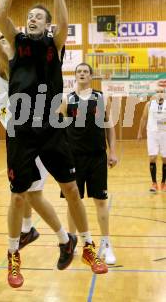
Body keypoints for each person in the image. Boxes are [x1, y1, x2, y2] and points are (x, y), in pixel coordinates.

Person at [0, 0, 108, 288]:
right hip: (20, 128)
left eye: (38, 17)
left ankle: (87, 245)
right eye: (29, 16)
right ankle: (14, 255)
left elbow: (63, 19)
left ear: (46, 26)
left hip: (50, 126)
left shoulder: (52, 45)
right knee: (18, 196)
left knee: (72, 190)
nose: (33, 19)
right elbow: (1, 15)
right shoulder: (16, 46)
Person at [0, 0, 73, 255]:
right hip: (18, 132)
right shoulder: (1, 67)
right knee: (23, 191)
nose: (6, 42)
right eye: (5, 40)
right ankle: (30, 229)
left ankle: (61, 237)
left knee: (30, 194)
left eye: (9, 40)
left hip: (32, 132)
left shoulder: (13, 64)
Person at [60, 63, 118, 265]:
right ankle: (71, 242)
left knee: (101, 201)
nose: (82, 74)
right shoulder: (67, 99)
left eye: (85, 71)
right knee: (73, 201)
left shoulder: (101, 97)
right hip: (74, 158)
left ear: (91, 76)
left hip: (97, 157)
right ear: (75, 76)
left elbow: (109, 126)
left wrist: (113, 152)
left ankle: (106, 244)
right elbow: (60, 129)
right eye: (79, 71)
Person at [137, 86, 166, 193]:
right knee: (152, 157)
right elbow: (144, 118)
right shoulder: (149, 104)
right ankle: (154, 183)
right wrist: (140, 132)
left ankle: (163, 183)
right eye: (158, 92)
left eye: (162, 92)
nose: (159, 94)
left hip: (164, 133)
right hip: (152, 133)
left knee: (165, 159)